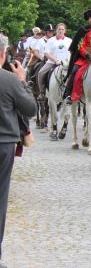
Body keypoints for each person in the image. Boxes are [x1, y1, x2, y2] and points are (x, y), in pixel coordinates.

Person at [0, 33, 36, 266]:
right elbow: (31, 109)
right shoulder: (10, 80)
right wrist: (22, 80)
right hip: (3, 145)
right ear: (2, 54)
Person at [37, 24, 72, 99]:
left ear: (65, 31)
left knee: (76, 73)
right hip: (52, 62)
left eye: (62, 29)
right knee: (41, 73)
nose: (61, 31)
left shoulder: (69, 40)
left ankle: (72, 94)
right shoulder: (50, 40)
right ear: (56, 30)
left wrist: (69, 61)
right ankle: (42, 93)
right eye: (59, 29)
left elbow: (72, 52)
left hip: (66, 63)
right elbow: (46, 53)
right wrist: (55, 60)